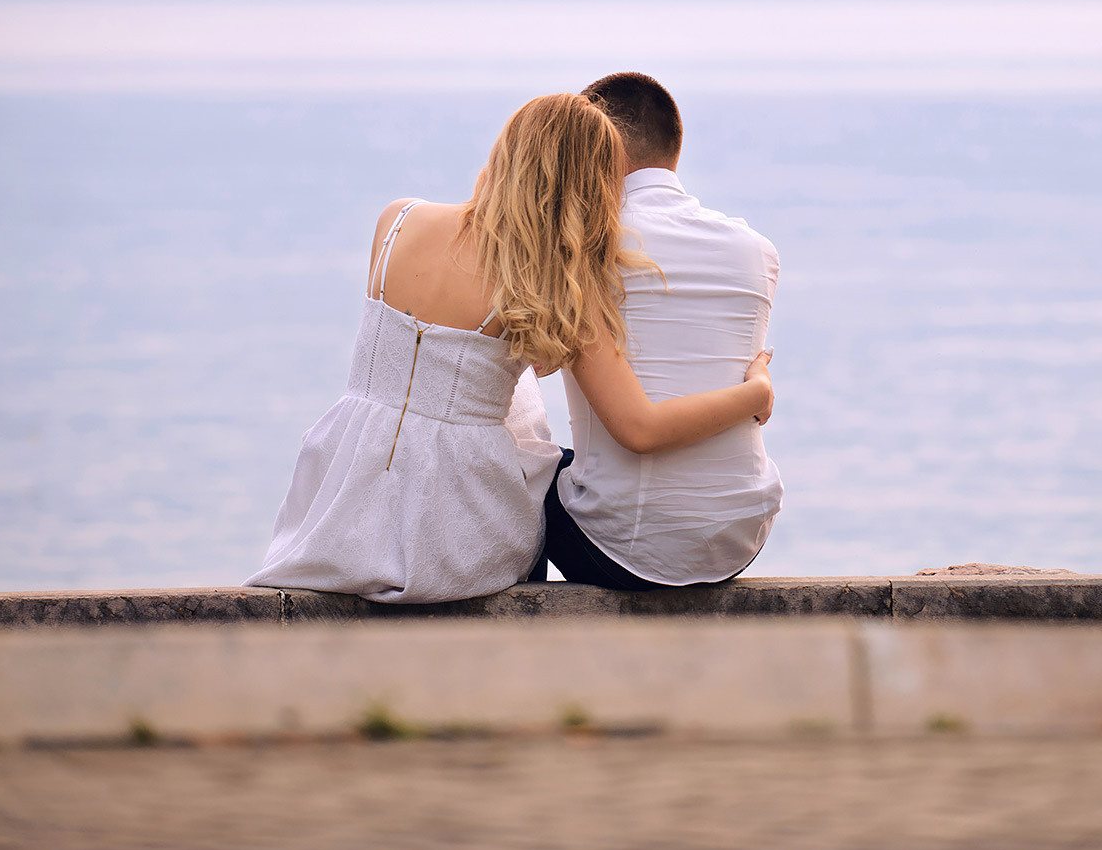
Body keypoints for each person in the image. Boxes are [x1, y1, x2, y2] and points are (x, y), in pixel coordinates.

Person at [246, 92, 773, 604]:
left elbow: (419, 356)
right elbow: (638, 426)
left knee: (538, 455)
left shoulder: (396, 219)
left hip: (346, 472)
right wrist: (754, 394)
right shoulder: (541, 282)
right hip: (454, 509)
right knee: (542, 473)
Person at [541, 73, 785, 590]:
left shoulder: (582, 252)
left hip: (627, 549)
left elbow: (637, 430)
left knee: (524, 469)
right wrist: (754, 393)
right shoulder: (756, 250)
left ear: (594, 146)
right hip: (741, 534)